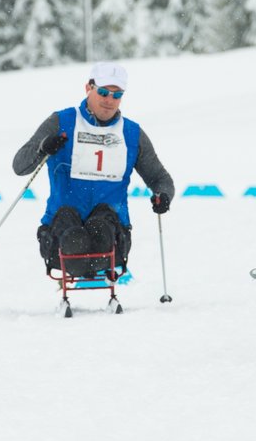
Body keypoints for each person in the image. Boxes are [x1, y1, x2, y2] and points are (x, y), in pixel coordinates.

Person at [12, 62, 174, 279]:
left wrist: (163, 196)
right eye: (104, 92)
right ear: (88, 88)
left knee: (101, 229)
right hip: (61, 227)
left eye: (117, 95)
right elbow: (20, 166)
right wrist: (42, 148)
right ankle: (76, 254)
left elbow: (159, 178)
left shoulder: (131, 133)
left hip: (112, 230)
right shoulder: (61, 122)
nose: (109, 100)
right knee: (72, 234)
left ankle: (92, 253)